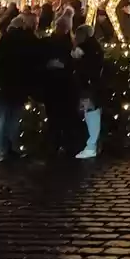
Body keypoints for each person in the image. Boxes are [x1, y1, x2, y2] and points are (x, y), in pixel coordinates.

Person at [0, 14, 39, 161]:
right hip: (19, 84)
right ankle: (13, 146)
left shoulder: (6, 39)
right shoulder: (27, 40)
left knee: (0, 118)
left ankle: (1, 149)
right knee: (14, 118)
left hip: (4, 84)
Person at [42, 14, 78, 155]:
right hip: (63, 84)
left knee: (55, 116)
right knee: (64, 115)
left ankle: (55, 143)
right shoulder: (69, 43)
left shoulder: (51, 42)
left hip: (55, 84)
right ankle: (64, 143)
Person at [73, 24, 107, 158]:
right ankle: (93, 143)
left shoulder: (85, 49)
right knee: (92, 111)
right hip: (92, 84)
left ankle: (91, 144)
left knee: (90, 112)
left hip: (87, 84)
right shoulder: (95, 47)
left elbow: (85, 67)